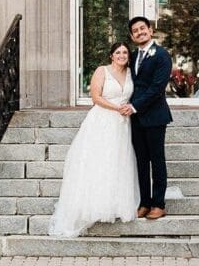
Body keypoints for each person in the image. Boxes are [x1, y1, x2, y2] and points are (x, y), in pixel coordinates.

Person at [47, 41, 139, 238]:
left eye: (125, 52)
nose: (122, 55)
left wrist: (128, 108)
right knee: (100, 161)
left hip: (122, 125)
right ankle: (94, 205)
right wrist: (117, 108)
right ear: (111, 55)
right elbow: (95, 97)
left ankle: (115, 204)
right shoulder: (102, 71)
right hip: (103, 120)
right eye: (118, 52)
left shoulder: (131, 73)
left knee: (118, 162)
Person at [119, 16, 173, 220]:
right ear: (132, 36)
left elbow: (156, 89)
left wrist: (133, 106)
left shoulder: (161, 56)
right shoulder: (132, 56)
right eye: (135, 31)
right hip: (135, 119)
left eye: (143, 28)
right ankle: (144, 202)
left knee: (157, 161)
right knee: (141, 161)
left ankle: (159, 203)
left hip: (155, 117)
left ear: (150, 30)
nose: (140, 32)